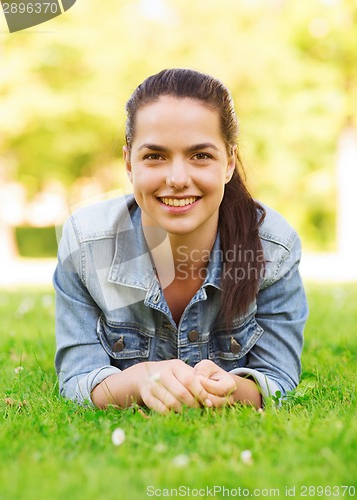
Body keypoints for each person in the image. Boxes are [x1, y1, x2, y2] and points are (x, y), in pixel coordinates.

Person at [53, 68, 308, 413]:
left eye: (200, 155)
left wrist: (231, 390)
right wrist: (140, 380)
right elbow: (78, 379)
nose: (177, 179)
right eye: (155, 156)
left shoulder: (274, 247)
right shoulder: (86, 243)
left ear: (229, 162)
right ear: (129, 162)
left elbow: (279, 380)